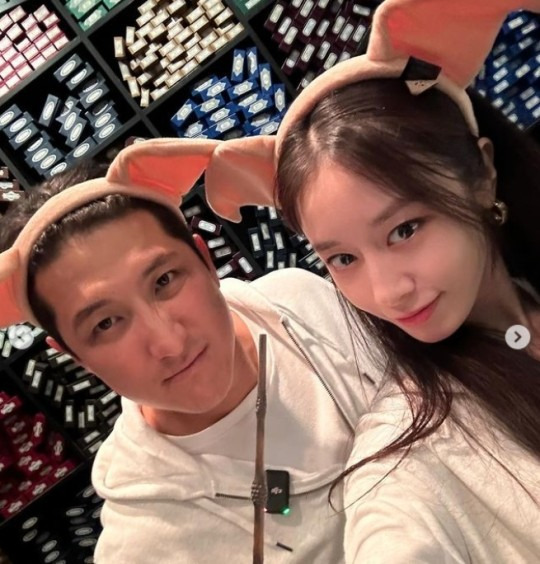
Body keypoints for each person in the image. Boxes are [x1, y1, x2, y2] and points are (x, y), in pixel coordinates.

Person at [203, 0, 540, 562]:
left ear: (482, 174)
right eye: (342, 259)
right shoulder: (410, 449)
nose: (387, 292)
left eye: (404, 230)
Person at [0, 139, 381, 563]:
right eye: (106, 324)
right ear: (75, 357)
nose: (169, 343)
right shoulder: (144, 548)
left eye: (164, 281)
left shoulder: (300, 300)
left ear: (205, 260)